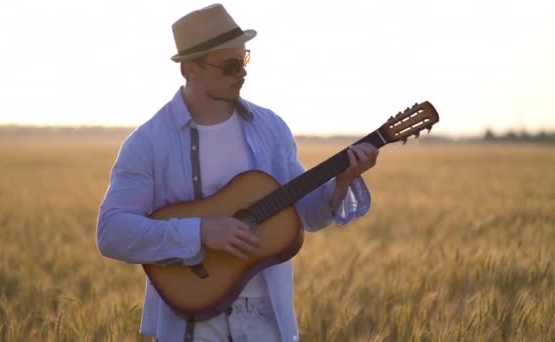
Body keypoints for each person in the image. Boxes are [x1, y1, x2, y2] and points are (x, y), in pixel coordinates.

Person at [96, 3, 379, 342]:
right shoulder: (148, 143)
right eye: (229, 65)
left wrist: (341, 182)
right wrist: (200, 232)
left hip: (265, 319)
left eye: (244, 61)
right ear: (190, 70)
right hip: (190, 323)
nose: (241, 74)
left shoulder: (271, 128)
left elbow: (306, 215)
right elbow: (112, 232)